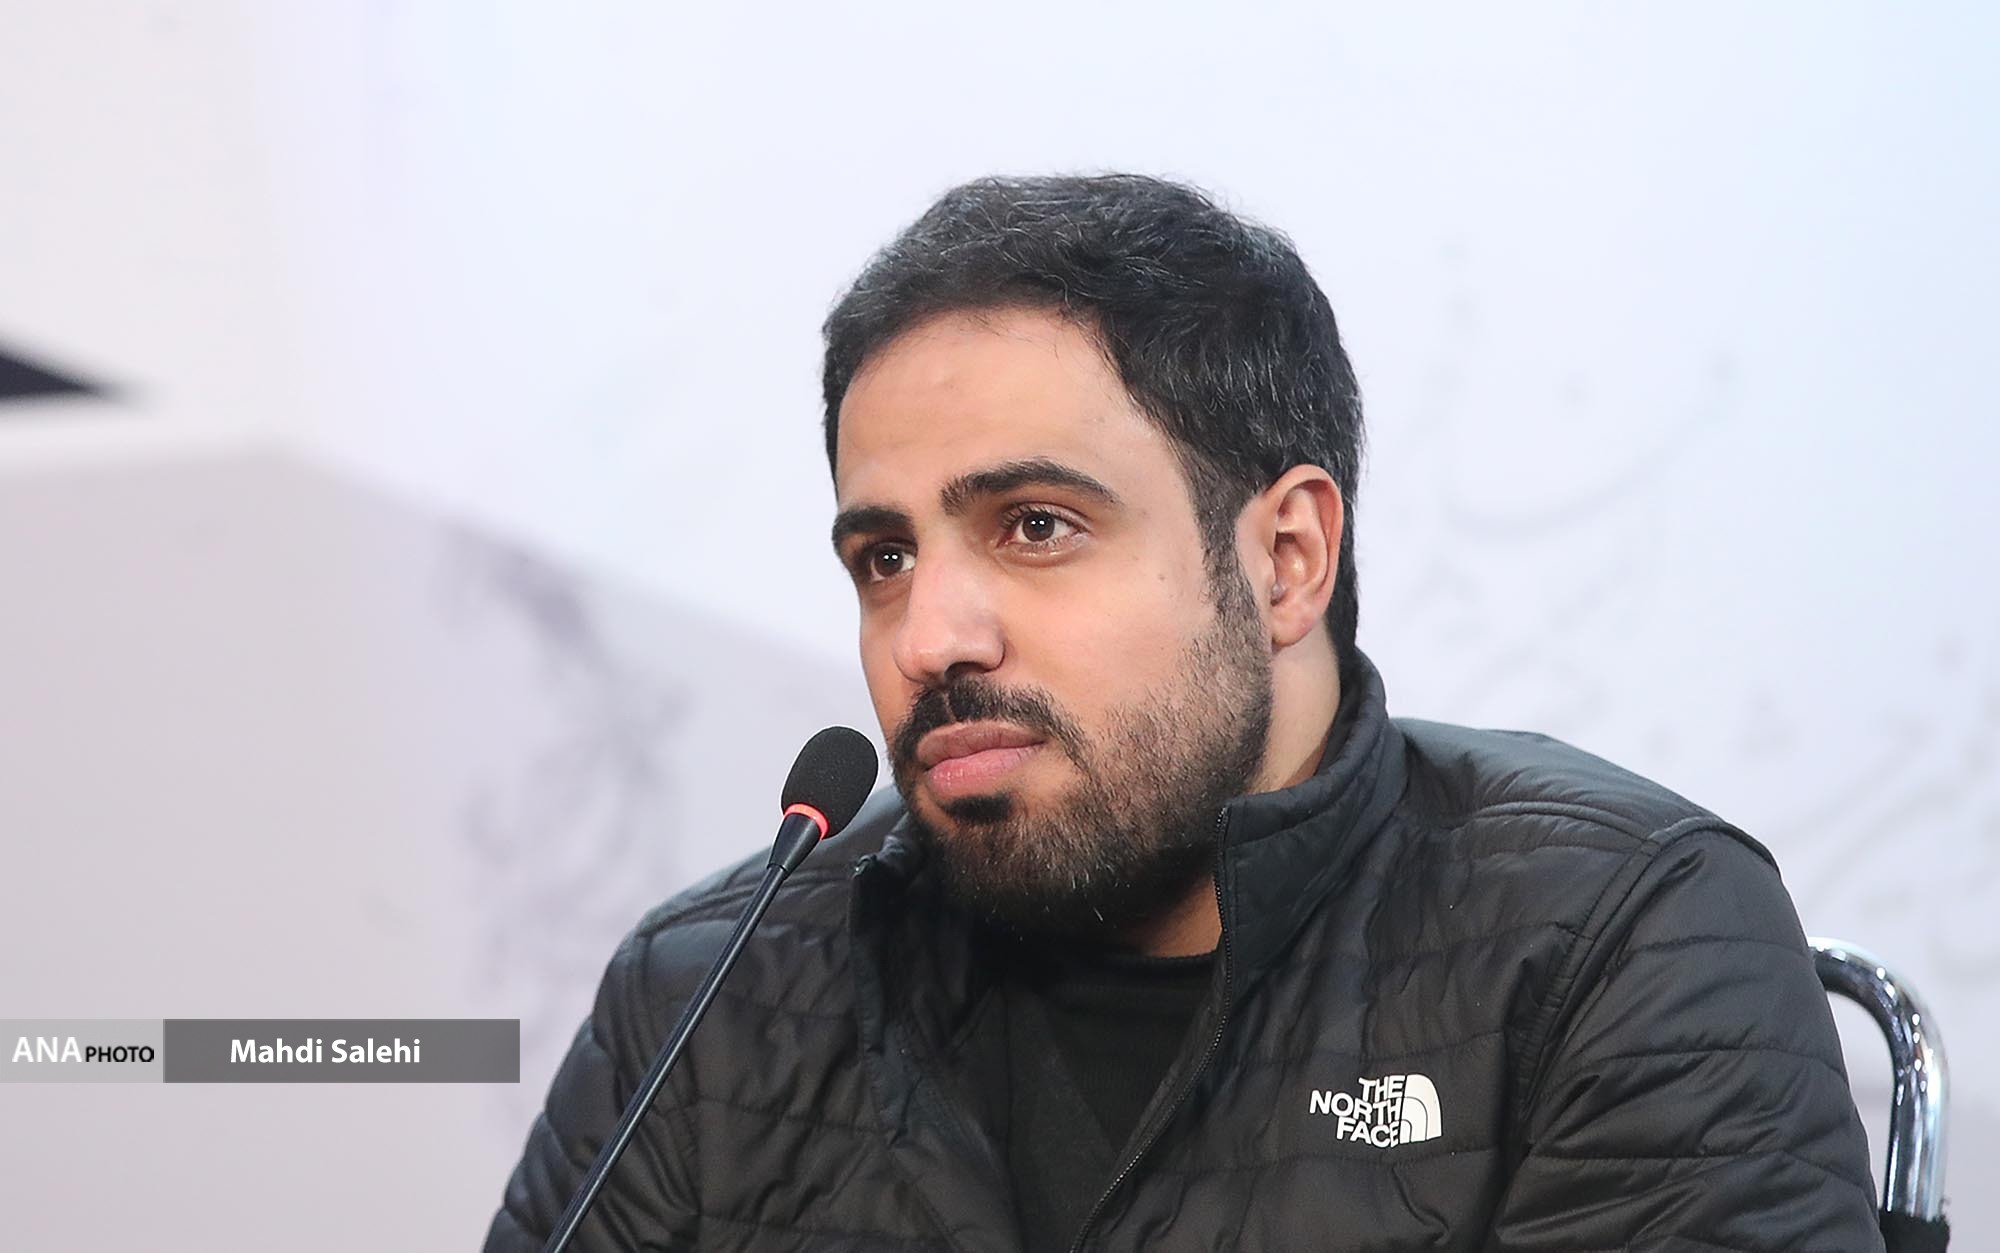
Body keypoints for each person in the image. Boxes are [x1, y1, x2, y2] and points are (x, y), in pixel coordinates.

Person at [485, 175, 1884, 1250]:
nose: (930, 637)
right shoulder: (712, 994)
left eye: (1035, 524)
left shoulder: (1620, 943)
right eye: (886, 557)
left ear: (1286, 558)